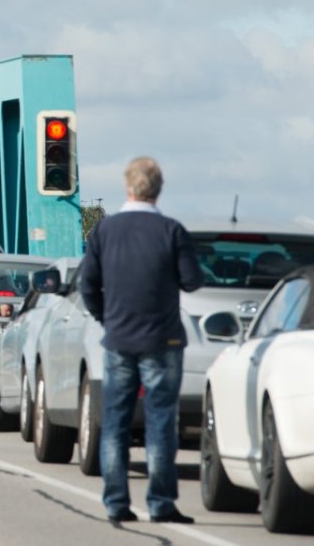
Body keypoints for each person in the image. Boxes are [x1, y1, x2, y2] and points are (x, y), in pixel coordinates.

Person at [79, 156, 203, 525]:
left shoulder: (105, 231)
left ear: (127, 187)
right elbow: (192, 281)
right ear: (158, 189)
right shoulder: (171, 230)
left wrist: (107, 319)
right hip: (163, 341)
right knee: (161, 422)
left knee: (115, 422)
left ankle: (116, 502)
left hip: (118, 339)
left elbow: (87, 285)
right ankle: (161, 503)